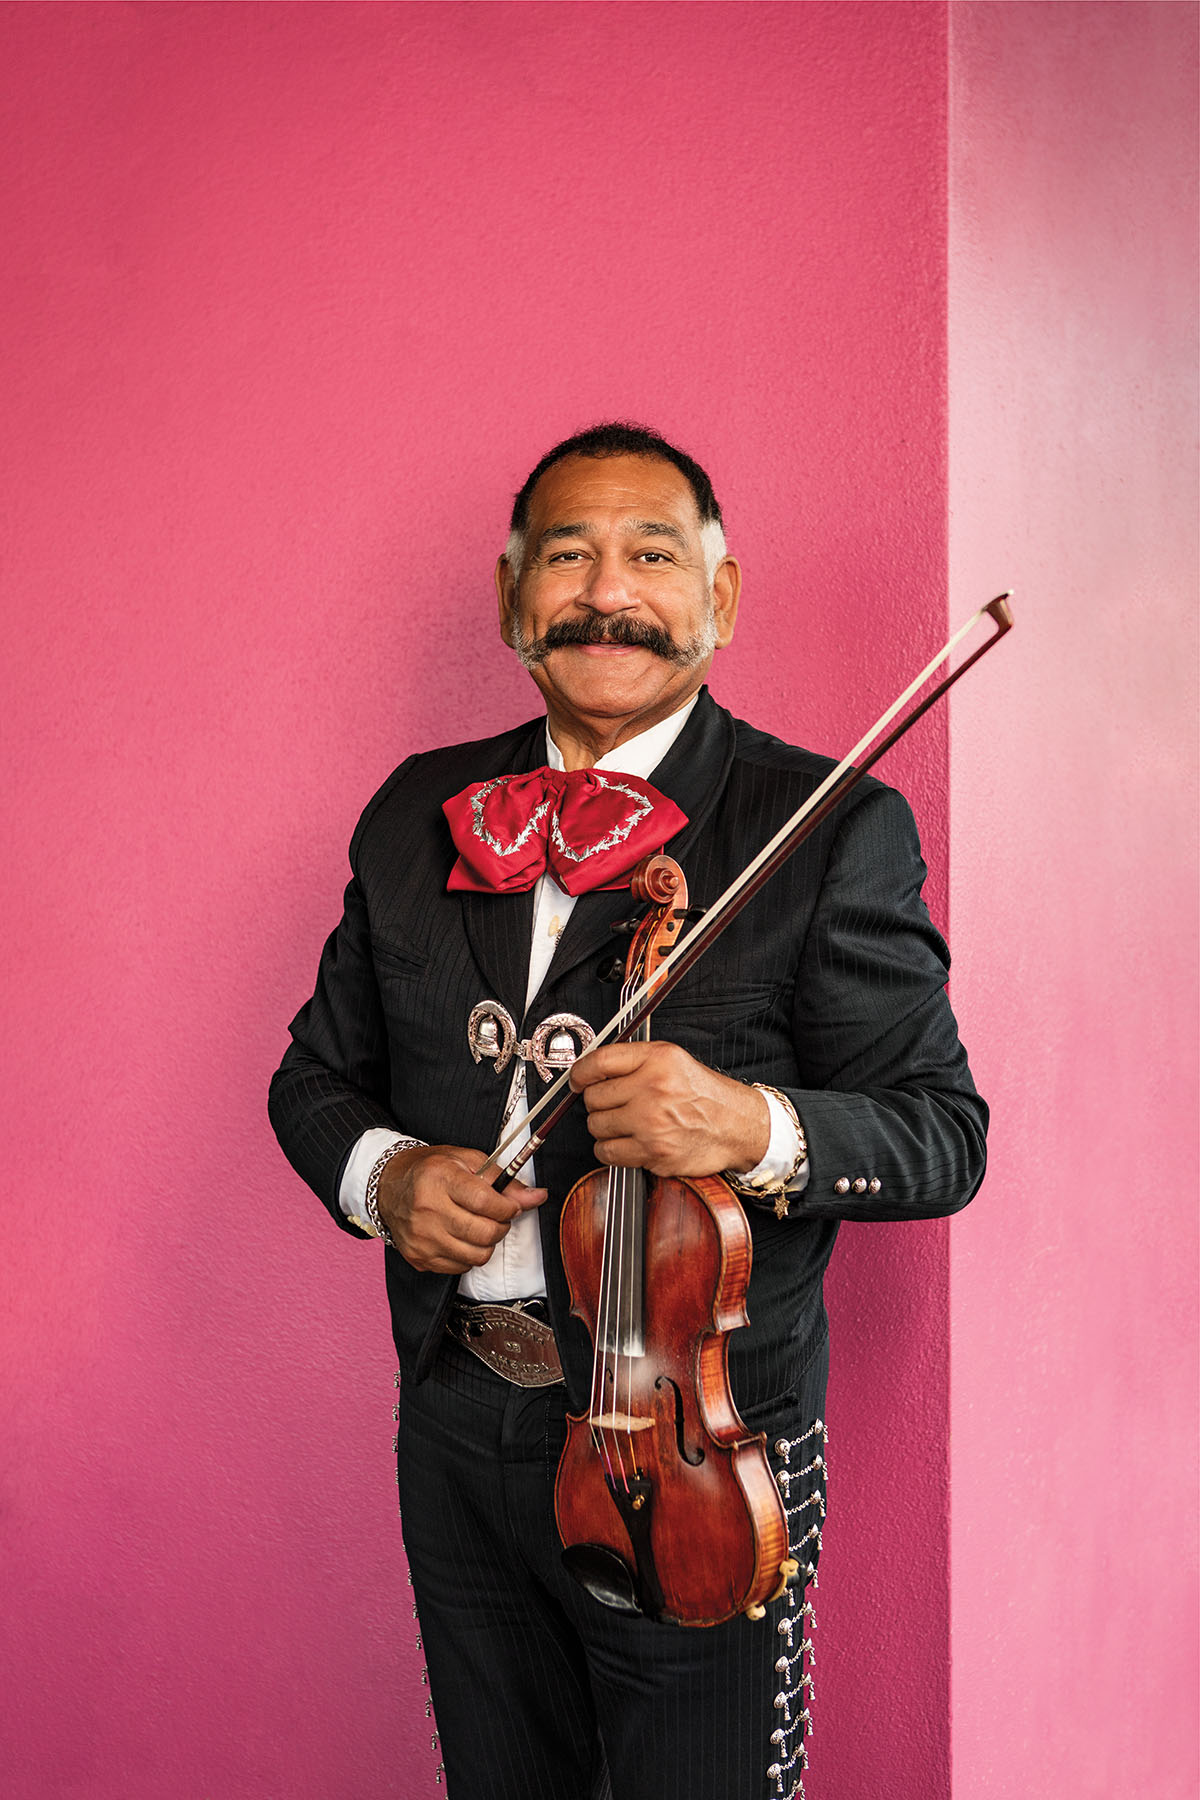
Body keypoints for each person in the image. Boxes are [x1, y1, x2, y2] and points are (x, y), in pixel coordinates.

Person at [268, 422, 987, 1800]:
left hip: (695, 1456)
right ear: (510, 596)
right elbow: (315, 1075)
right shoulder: (415, 815)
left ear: (719, 599)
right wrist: (384, 1175)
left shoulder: (830, 827)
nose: (609, 592)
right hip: (457, 1421)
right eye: (569, 556)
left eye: (652, 555)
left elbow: (942, 1133)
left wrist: (751, 1126)